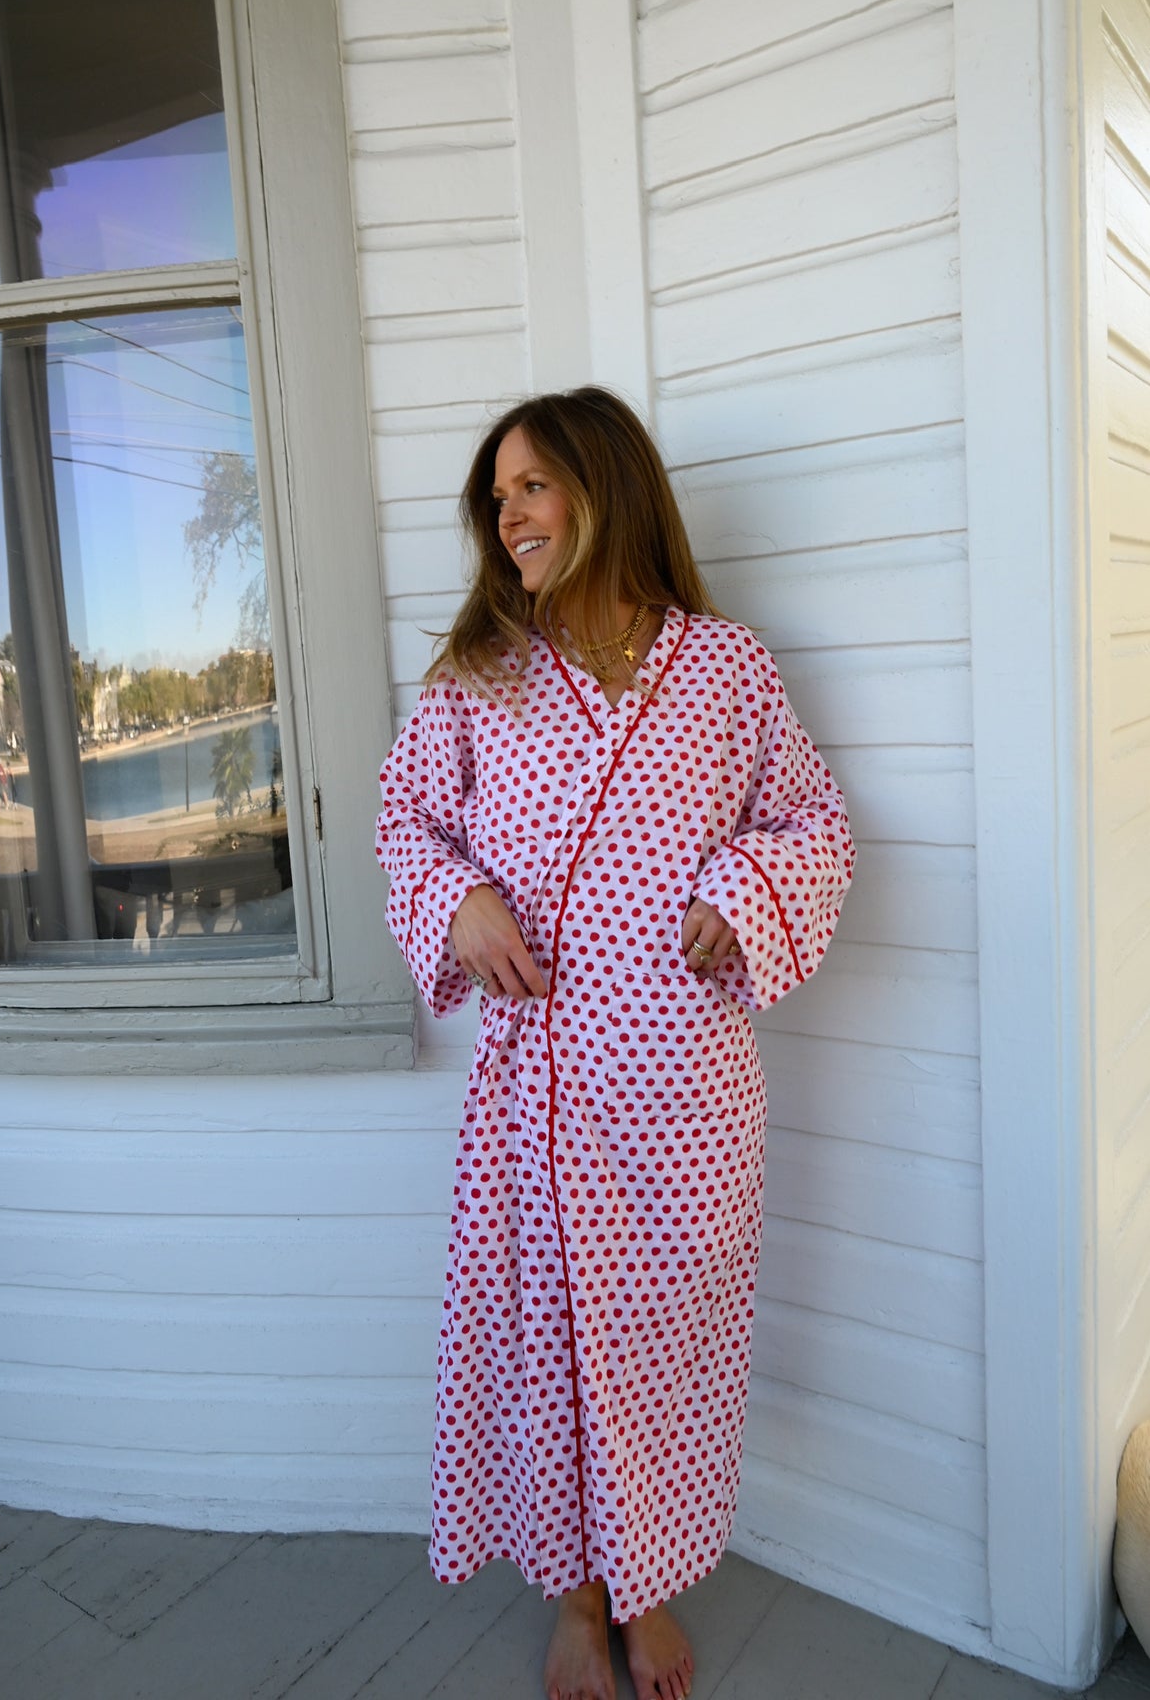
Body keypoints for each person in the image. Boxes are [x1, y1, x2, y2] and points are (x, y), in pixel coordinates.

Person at [376, 387, 855, 1700]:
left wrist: (739, 894)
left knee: (661, 1352)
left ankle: (651, 1585)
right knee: (545, 1352)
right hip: (532, 1098)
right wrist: (458, 900)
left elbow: (812, 822)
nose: (507, 515)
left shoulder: (724, 669)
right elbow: (402, 824)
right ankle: (578, 1597)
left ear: (603, 485)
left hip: (680, 1099)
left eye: (530, 486)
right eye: (496, 497)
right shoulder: (478, 676)